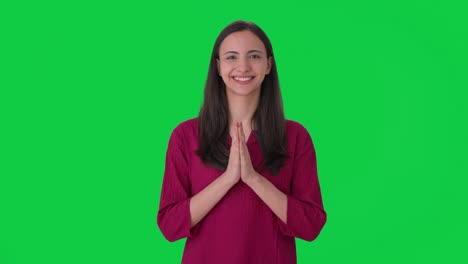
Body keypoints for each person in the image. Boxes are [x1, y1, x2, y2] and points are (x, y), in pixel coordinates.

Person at [157, 20, 326, 264]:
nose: (243, 66)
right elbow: (170, 226)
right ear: (218, 66)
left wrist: (253, 179)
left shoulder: (296, 136)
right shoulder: (185, 135)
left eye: (254, 56)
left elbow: (311, 225)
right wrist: (228, 179)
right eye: (231, 57)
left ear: (268, 65)